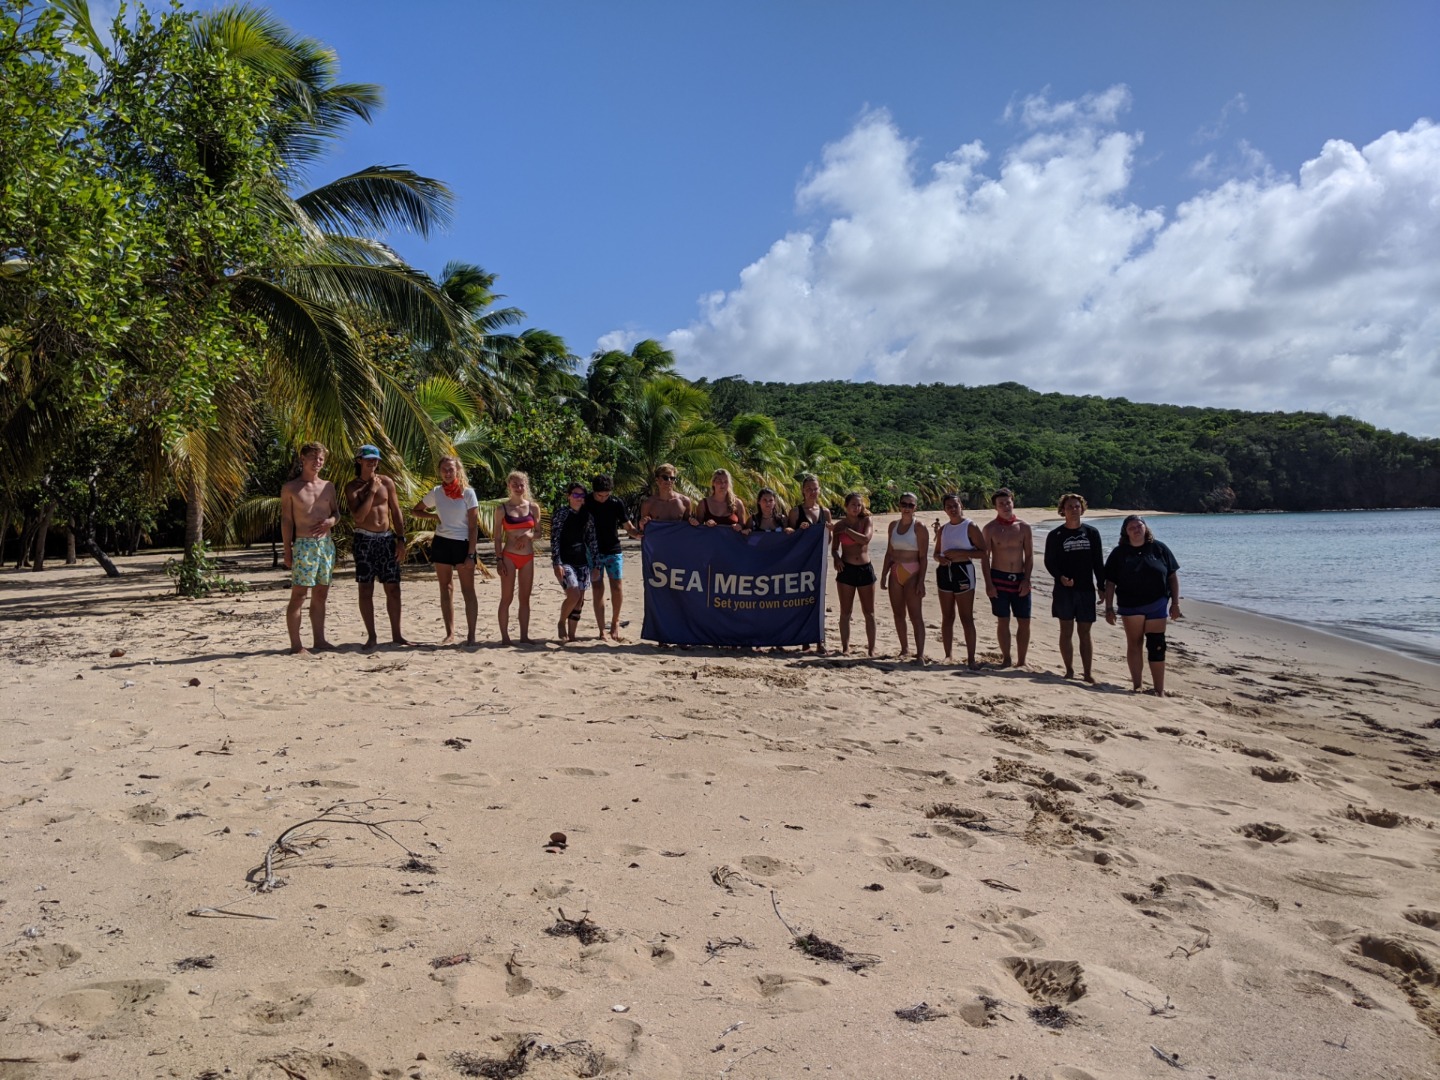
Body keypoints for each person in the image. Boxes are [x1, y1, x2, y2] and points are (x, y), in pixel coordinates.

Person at [1103, 515, 1182, 695]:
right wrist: (1109, 608)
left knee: (1157, 645)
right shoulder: (1119, 553)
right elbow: (1110, 583)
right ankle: (1137, 685)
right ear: (1125, 532)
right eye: (1131, 527)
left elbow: (1172, 577)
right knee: (1135, 644)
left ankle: (1159, 690)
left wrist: (1175, 603)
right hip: (1131, 606)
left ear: (1145, 528)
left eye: (1139, 525)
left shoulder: (1159, 548)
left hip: (1157, 604)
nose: (1136, 529)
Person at [343, 444, 409, 651]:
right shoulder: (352, 487)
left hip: (387, 539)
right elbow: (359, 516)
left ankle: (397, 634)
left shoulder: (387, 482)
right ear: (359, 461)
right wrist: (371, 490)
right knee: (366, 589)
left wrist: (401, 539)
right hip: (364, 540)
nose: (372, 462)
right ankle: (372, 636)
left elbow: (396, 511)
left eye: (376, 459)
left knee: (393, 588)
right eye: (368, 459)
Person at [410, 455, 479, 646]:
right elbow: (415, 510)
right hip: (442, 542)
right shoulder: (436, 492)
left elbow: (473, 526)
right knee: (446, 587)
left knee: (468, 590)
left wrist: (471, 554)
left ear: (457, 470)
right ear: (440, 472)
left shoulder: (468, 493)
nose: (447, 473)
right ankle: (450, 634)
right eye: (444, 470)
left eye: (451, 469)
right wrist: (434, 517)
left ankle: (471, 635)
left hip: (463, 543)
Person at [281, 442, 341, 654]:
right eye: (314, 457)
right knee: (299, 595)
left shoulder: (328, 486)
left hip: (325, 545)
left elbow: (336, 513)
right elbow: (287, 520)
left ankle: (320, 640)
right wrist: (287, 550)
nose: (318, 462)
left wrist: (331, 522)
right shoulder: (291, 488)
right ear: (303, 459)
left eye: (321, 458)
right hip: (304, 545)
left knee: (321, 594)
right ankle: (296, 645)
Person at [1044, 493, 1106, 682]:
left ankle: (1087, 673)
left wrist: (1101, 586)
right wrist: (1060, 577)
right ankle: (1069, 670)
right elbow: (1049, 562)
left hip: (1086, 589)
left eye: (1077, 506)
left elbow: (1098, 562)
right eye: (1069, 507)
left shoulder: (1092, 533)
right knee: (1066, 630)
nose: (1074, 510)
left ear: (1082, 509)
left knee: (1085, 632)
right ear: (1063, 510)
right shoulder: (1055, 535)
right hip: (1064, 590)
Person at [981, 488, 1032, 667]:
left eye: (1008, 502)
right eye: (1001, 504)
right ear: (995, 507)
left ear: (1013, 502)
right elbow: (985, 558)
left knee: (1024, 621)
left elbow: (1029, 556)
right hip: (998, 578)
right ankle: (1007, 658)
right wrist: (988, 584)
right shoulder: (990, 529)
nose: (1005, 506)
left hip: (1019, 578)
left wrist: (1026, 579)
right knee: (1003, 620)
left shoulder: (1024, 527)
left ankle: (1022, 661)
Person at [585, 474, 639, 642]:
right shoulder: (586, 501)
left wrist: (639, 534)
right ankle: (602, 629)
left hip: (613, 550)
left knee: (617, 586)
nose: (603, 498)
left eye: (606, 495)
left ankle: (615, 622)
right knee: (597, 589)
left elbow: (628, 526)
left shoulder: (616, 503)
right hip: (592, 551)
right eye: (599, 495)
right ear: (593, 491)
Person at [933, 492, 984, 667]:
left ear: (961, 505)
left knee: (966, 617)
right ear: (944, 510)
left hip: (963, 571)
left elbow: (983, 552)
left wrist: (960, 553)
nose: (953, 509)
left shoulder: (970, 526)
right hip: (944, 572)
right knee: (947, 616)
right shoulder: (943, 529)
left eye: (955, 505)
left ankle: (971, 659)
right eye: (949, 507)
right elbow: (936, 553)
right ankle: (948, 655)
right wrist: (940, 558)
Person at [495, 471, 542, 645]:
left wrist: (529, 535)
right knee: (506, 598)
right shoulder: (502, 509)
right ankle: (505, 637)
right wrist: (499, 560)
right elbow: (497, 537)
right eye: (515, 484)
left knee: (525, 598)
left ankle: (524, 636)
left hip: (527, 557)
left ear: (526, 486)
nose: (518, 488)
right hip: (509, 556)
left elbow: (539, 533)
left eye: (521, 484)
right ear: (509, 486)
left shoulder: (533, 507)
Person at [880, 492, 928, 661]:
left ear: (915, 508)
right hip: (895, 571)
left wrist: (921, 581)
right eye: (904, 504)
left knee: (915, 615)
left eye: (910, 505)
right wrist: (884, 574)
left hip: (912, 571)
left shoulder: (919, 527)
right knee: (898, 614)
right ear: (899, 505)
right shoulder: (893, 525)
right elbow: (889, 552)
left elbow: (923, 557)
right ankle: (904, 649)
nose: (907, 508)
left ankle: (920, 654)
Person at [788, 474, 833, 654]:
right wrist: (799, 530)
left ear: (819, 490)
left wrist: (829, 531)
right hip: (800, 564)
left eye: (815, 489)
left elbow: (828, 540)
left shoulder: (825, 512)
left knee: (819, 600)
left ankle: (820, 640)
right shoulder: (795, 512)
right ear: (803, 491)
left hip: (819, 563)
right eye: (809, 489)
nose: (812, 492)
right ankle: (805, 641)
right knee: (801, 600)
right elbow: (789, 538)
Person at [550, 482, 598, 642]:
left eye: (582, 495)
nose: (579, 498)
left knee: (579, 601)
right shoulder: (561, 514)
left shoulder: (587, 516)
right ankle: (561, 622)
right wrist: (557, 562)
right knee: (573, 594)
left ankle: (571, 635)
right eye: (575, 495)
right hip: (565, 561)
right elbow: (555, 539)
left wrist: (596, 564)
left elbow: (592, 540)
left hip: (582, 561)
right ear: (569, 496)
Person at [830, 492, 877, 656]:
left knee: (869, 612)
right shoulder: (839, 525)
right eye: (853, 505)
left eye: (859, 505)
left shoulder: (866, 520)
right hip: (846, 569)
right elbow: (834, 548)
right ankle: (845, 647)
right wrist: (836, 558)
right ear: (846, 506)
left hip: (865, 568)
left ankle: (871, 649)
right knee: (845, 612)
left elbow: (865, 539)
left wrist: (847, 531)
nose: (856, 508)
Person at [637, 464, 692, 530]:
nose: (669, 481)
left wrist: (694, 522)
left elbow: (688, 528)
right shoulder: (648, 504)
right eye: (665, 478)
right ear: (657, 480)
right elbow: (643, 530)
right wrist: (642, 524)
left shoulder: (685, 501)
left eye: (672, 478)